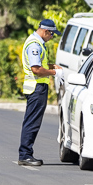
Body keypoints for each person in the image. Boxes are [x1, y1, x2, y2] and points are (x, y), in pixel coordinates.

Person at [18, 19, 62, 166]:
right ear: (45, 31)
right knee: (32, 122)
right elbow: (36, 69)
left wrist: (51, 66)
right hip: (36, 87)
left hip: (37, 87)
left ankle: (26, 154)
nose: (52, 37)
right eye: (52, 34)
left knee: (32, 121)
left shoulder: (37, 43)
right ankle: (25, 155)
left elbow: (39, 64)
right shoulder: (34, 45)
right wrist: (54, 72)